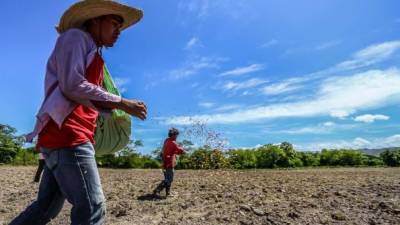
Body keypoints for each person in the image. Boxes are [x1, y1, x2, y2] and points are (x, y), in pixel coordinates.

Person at [10, 1, 146, 224]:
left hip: (64, 137)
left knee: (46, 207)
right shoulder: (75, 37)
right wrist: (121, 103)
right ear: (95, 19)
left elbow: (84, 96)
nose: (118, 32)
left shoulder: (92, 50)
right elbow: (72, 84)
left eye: (120, 28)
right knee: (93, 206)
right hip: (69, 136)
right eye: (114, 24)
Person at [153, 128, 186, 197]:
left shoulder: (166, 140)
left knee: (167, 179)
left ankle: (168, 193)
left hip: (164, 162)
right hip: (169, 163)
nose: (177, 137)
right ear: (174, 135)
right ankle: (157, 190)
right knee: (169, 179)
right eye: (176, 135)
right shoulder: (173, 143)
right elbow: (180, 151)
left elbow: (172, 151)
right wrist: (183, 150)